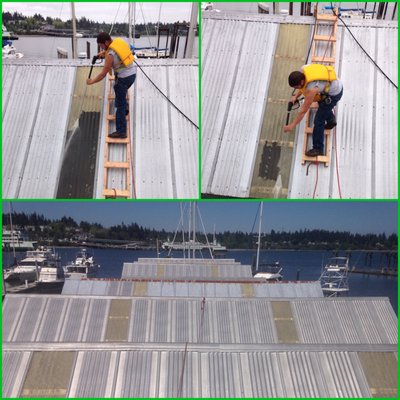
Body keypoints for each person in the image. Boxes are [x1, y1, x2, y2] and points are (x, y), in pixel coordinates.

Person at [283, 64, 343, 157]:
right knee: (322, 104)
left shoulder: (312, 89)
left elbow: (303, 111)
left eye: (297, 87)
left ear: (302, 81)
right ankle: (331, 120)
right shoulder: (303, 69)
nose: (297, 89)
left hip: (334, 93)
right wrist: (295, 96)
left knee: (319, 120)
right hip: (331, 85)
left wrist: (292, 126)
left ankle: (318, 148)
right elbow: (302, 87)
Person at [87, 32, 137, 139]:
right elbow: (113, 52)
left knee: (120, 105)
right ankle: (125, 108)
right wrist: (102, 53)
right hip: (132, 75)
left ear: (106, 42)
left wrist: (92, 82)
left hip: (123, 79)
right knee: (120, 95)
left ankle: (121, 131)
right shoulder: (117, 43)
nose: (101, 47)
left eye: (101, 45)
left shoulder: (110, 55)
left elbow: (103, 74)